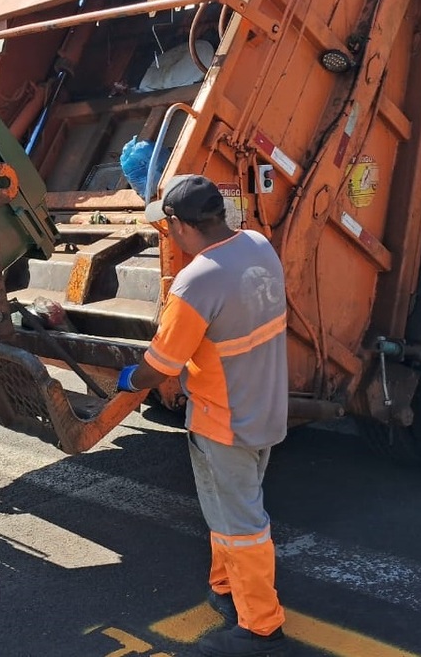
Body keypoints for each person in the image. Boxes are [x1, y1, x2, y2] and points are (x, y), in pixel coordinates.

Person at [118, 174, 289, 657]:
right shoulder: (257, 246)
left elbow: (160, 367)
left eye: (166, 225)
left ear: (179, 225)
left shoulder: (197, 281)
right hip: (266, 406)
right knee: (225, 507)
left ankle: (261, 627)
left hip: (224, 419)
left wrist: (131, 378)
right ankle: (225, 586)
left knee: (243, 523)